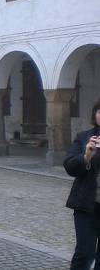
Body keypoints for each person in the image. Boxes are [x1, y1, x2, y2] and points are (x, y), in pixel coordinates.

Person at [64, 100, 100, 270]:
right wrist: (86, 157)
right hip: (87, 204)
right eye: (99, 111)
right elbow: (69, 165)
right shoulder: (84, 137)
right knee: (85, 253)